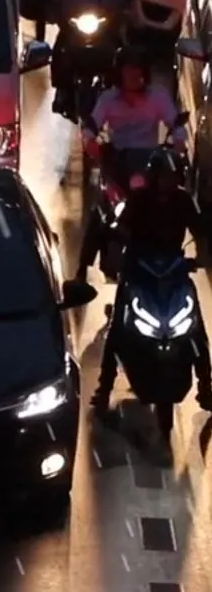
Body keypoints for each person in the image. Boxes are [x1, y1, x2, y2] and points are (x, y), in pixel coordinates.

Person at [90, 149, 212, 413]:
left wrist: (201, 258)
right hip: (139, 270)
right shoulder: (138, 200)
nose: (167, 181)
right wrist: (115, 252)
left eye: (171, 176)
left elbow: (200, 230)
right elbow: (121, 230)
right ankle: (104, 387)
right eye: (163, 176)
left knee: (197, 329)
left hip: (174, 271)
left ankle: (206, 386)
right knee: (117, 331)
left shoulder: (183, 201)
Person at [76, 45, 187, 280]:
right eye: (128, 71)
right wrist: (90, 143)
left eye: (137, 71)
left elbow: (177, 127)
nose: (133, 77)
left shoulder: (158, 96)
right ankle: (81, 272)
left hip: (151, 162)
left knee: (176, 199)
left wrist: (178, 146)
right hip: (118, 161)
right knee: (101, 211)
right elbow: (90, 128)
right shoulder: (107, 100)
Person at [50, 0, 128, 118]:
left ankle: (125, 93)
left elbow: (123, 1)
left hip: (105, 30)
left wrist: (118, 14)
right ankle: (62, 92)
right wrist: (59, 16)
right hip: (73, 29)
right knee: (59, 52)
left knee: (125, 54)